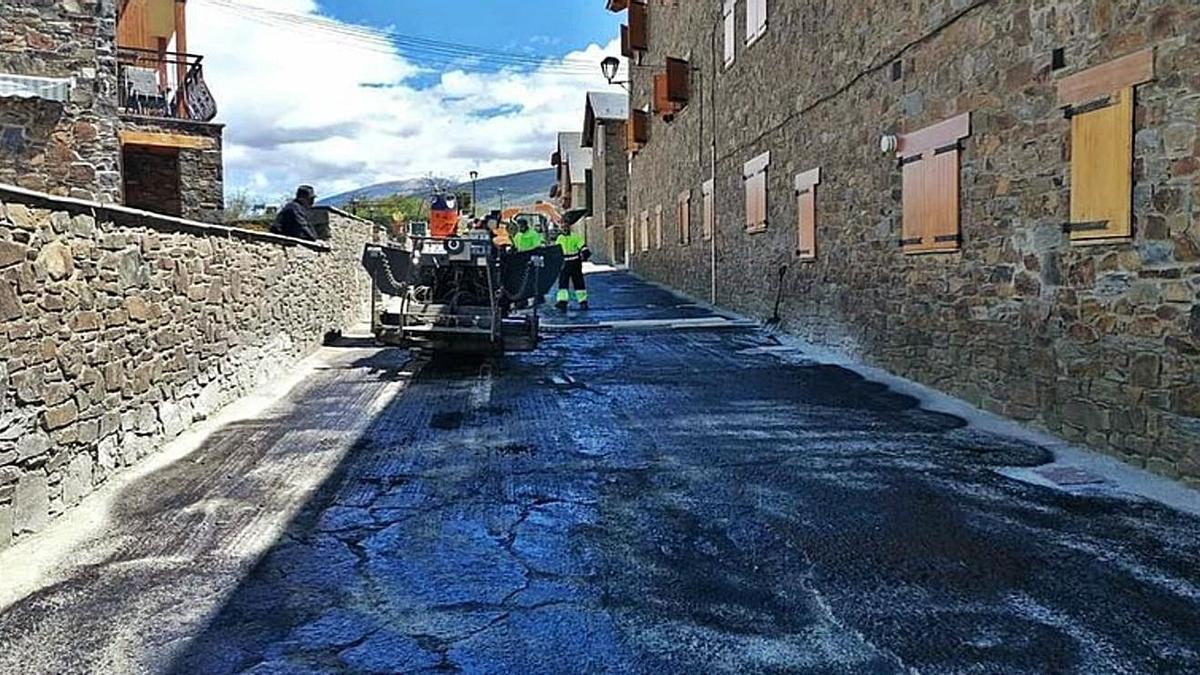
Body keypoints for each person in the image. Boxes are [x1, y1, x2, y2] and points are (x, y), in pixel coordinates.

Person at [555, 221, 590, 311]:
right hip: (564, 263)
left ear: (569, 227)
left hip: (575, 262)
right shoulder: (559, 238)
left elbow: (582, 246)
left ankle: (583, 301)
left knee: (578, 282)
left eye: (566, 227)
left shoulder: (575, 236)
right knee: (563, 283)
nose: (564, 229)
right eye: (563, 227)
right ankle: (562, 302)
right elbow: (557, 250)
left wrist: (585, 252)